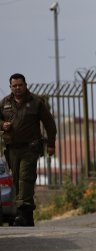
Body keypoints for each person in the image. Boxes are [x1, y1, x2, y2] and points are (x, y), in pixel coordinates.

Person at [0, 73, 57, 226]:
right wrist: (2, 125)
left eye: (20, 85)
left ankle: (21, 215)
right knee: (17, 180)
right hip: (12, 149)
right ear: (10, 87)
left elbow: (50, 124)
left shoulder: (36, 102)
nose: (17, 88)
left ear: (25, 85)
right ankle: (28, 216)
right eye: (14, 86)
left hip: (30, 148)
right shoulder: (5, 102)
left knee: (26, 178)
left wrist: (51, 144)